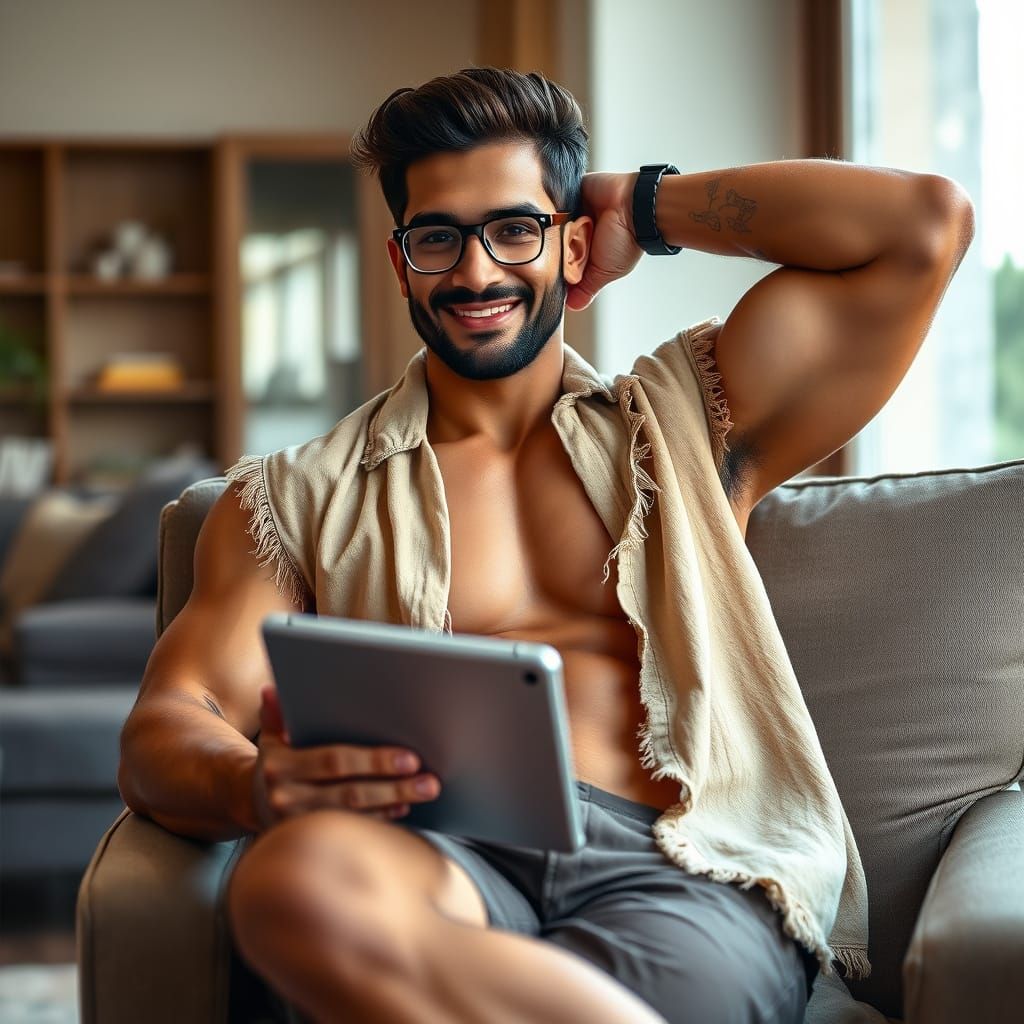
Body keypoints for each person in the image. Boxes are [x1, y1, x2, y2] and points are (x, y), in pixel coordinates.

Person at [118, 68, 973, 1024]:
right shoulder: (292, 496)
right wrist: (251, 786)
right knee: (294, 885)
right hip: (428, 852)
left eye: (514, 229)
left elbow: (922, 228)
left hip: (675, 868)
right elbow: (165, 724)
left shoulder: (691, 420)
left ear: (571, 247)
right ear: (402, 263)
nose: (477, 272)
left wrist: (644, 206)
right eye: (438, 237)